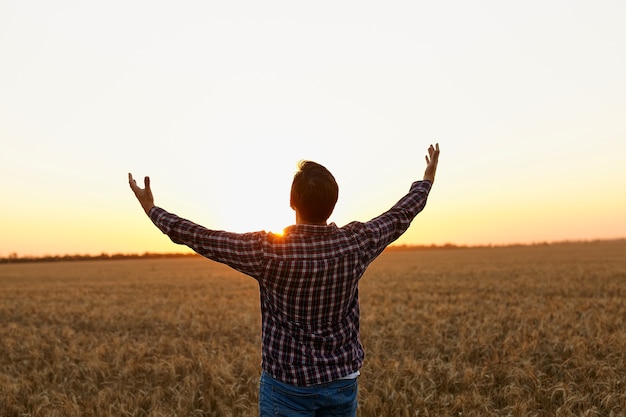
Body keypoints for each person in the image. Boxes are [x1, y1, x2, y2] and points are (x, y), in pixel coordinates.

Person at [129, 143, 440, 417]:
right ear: (333, 202)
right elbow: (400, 215)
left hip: (287, 387)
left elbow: (201, 237)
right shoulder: (357, 243)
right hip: (342, 381)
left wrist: (152, 209)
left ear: (293, 201)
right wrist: (426, 181)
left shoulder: (269, 252)